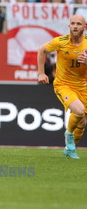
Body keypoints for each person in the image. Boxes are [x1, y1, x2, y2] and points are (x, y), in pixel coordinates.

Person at [37, 14, 87, 159]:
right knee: (79, 111)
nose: (76, 26)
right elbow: (42, 50)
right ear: (69, 26)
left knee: (83, 121)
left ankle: (69, 149)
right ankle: (69, 134)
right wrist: (41, 73)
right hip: (63, 84)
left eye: (79, 24)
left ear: (84, 27)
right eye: (73, 23)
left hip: (82, 85)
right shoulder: (61, 41)